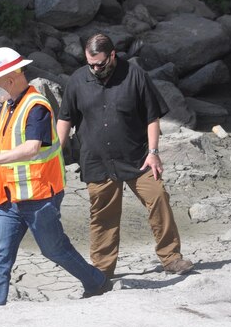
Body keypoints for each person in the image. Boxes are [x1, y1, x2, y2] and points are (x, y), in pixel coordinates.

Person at [0, 47, 109, 305]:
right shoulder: (9, 105)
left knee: (54, 249)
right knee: (0, 253)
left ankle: (96, 282)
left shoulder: (36, 106)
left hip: (40, 196)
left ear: (11, 79)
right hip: (8, 195)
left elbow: (32, 147)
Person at [56, 33, 194, 277]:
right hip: (97, 161)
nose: (95, 69)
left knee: (158, 197)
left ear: (112, 55)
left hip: (137, 157)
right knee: (102, 216)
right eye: (91, 64)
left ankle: (171, 257)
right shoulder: (78, 81)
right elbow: (65, 118)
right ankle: (102, 270)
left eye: (100, 63)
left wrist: (153, 153)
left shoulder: (135, 75)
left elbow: (152, 116)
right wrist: (56, 152)